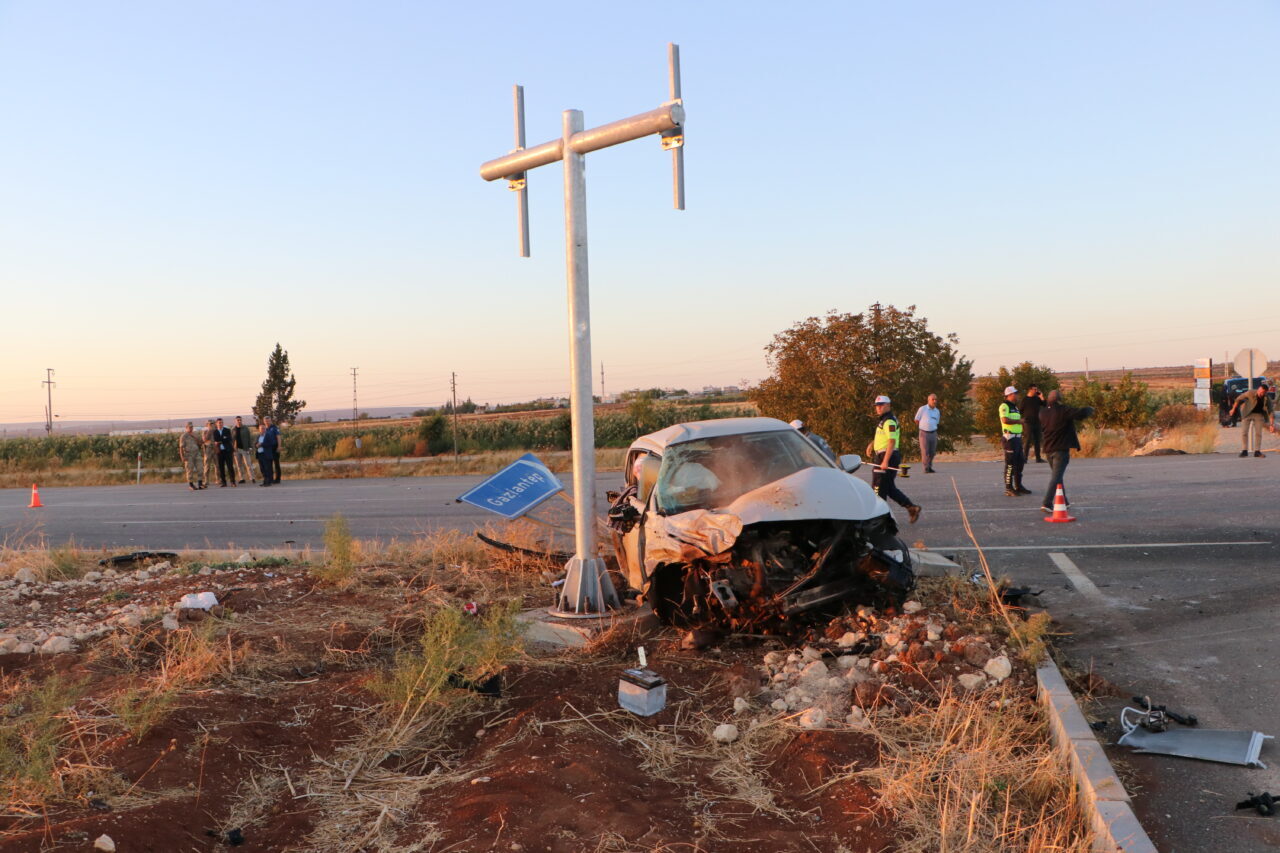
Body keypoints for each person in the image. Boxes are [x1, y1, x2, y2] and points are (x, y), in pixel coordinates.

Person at [868, 395, 921, 523]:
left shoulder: (889, 421)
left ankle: (880, 520)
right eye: (877, 406)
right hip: (884, 455)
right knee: (889, 488)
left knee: (878, 488)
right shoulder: (884, 420)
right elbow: (884, 437)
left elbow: (891, 441)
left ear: (888, 405)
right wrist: (872, 444)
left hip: (886, 456)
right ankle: (911, 507)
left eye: (881, 405)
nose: (878, 408)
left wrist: (885, 461)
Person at [1039, 390, 1094, 512]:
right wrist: (1089, 409)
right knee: (1056, 477)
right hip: (1060, 450)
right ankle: (1046, 503)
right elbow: (1080, 414)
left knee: (1058, 476)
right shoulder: (1063, 410)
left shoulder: (1042, 413)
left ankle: (1064, 500)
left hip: (1048, 449)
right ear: (1059, 399)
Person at [999, 387, 1031, 497]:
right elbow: (1005, 420)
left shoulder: (1015, 407)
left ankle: (1018, 485)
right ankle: (1008, 487)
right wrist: (1019, 421)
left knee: (1020, 462)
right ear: (1009, 394)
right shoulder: (1004, 406)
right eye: (1015, 393)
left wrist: (1024, 429)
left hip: (1017, 438)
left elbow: (1021, 422)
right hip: (1009, 438)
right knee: (1010, 464)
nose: (1017, 395)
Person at [1230, 383, 1275, 457]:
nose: (1260, 393)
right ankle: (1244, 451)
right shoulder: (1250, 393)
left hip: (1258, 415)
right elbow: (1238, 399)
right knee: (1244, 432)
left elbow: (1271, 411)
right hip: (1247, 413)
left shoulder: (1267, 398)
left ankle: (1257, 451)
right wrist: (1233, 409)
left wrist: (1271, 425)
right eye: (1260, 391)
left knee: (1258, 433)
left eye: (1263, 393)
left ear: (1265, 392)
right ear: (1258, 389)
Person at [913, 394, 941, 473]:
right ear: (928, 400)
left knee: (932, 452)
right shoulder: (922, 409)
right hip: (924, 433)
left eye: (936, 399)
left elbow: (937, 422)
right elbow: (916, 419)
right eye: (933, 399)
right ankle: (926, 467)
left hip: (933, 433)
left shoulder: (937, 411)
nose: (934, 401)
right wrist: (923, 426)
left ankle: (929, 466)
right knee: (925, 451)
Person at [1019, 385, 1047, 463]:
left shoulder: (1037, 399)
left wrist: (1041, 397)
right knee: (1027, 440)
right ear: (1030, 390)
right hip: (1028, 423)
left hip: (1037, 422)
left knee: (1037, 440)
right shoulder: (1025, 399)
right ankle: (1024, 458)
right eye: (1035, 389)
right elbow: (1020, 410)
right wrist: (1022, 419)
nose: (1036, 391)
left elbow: (1045, 405)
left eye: (1037, 389)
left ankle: (1038, 458)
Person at [178, 422, 204, 491]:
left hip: (197, 453)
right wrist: (182, 457)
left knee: (200, 468)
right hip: (188, 455)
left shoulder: (195, 434)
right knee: (190, 470)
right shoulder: (183, 436)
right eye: (189, 427)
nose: (191, 428)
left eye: (192, 427)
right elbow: (181, 447)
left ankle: (200, 483)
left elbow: (201, 443)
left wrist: (195, 438)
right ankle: (191, 485)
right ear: (186, 428)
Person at [232, 416, 257, 484]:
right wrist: (232, 449)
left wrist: (250, 447)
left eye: (240, 420)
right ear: (235, 421)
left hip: (245, 448)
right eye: (237, 420)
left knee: (248, 464)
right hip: (236, 449)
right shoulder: (233, 429)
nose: (239, 421)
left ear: (241, 420)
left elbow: (249, 438)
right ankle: (242, 478)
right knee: (239, 465)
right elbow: (232, 440)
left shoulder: (245, 428)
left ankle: (252, 478)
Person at [213, 418, 236, 487]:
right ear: (216, 424)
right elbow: (215, 440)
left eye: (221, 422)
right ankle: (224, 482)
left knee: (230, 467)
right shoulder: (215, 432)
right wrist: (222, 439)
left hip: (228, 451)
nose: (220, 424)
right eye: (219, 422)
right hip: (219, 452)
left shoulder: (227, 430)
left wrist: (219, 441)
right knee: (221, 467)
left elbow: (228, 439)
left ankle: (233, 482)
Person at [256, 419, 278, 486]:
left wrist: (261, 444)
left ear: (265, 429)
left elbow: (272, 443)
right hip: (260, 454)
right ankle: (265, 481)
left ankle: (268, 482)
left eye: (263, 428)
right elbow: (256, 443)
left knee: (267, 468)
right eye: (261, 428)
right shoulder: (258, 436)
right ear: (259, 429)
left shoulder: (268, 435)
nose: (262, 429)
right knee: (262, 469)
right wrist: (256, 445)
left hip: (266, 454)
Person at [200, 419, 220, 490]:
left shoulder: (216, 431)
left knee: (217, 465)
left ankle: (218, 479)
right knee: (207, 465)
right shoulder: (205, 431)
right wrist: (210, 431)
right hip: (208, 449)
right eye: (210, 424)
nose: (212, 425)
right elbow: (205, 439)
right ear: (207, 425)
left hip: (215, 449)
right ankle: (206, 480)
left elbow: (218, 440)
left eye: (213, 424)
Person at [267, 418, 283, 483]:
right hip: (268, 448)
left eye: (268, 421)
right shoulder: (265, 428)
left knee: (276, 463)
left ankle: (277, 479)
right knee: (269, 464)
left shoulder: (274, 428)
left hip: (275, 447)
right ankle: (271, 478)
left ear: (271, 421)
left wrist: (279, 446)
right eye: (265, 421)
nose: (267, 422)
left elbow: (278, 437)